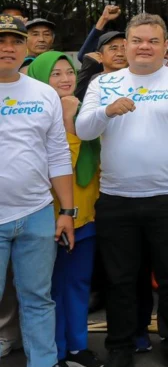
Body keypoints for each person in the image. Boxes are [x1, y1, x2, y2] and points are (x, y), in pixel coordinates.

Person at [76, 13, 168, 367]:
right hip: (117, 199)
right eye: (137, 40)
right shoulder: (105, 84)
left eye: (152, 41)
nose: (144, 47)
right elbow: (84, 129)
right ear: (126, 46)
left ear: (165, 46)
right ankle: (120, 347)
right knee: (120, 280)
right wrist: (106, 111)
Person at [0, 17, 77, 367]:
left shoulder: (43, 93)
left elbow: (58, 154)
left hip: (37, 215)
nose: (8, 47)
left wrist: (67, 211)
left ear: (25, 47)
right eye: (1, 41)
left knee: (38, 300)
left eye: (16, 41)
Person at [28, 51, 101, 367]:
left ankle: (77, 347)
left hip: (87, 217)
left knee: (78, 284)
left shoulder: (85, 111)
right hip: (52, 217)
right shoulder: (36, 119)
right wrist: (68, 124)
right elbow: (60, 168)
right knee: (50, 291)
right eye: (55, 74)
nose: (65, 79)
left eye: (69, 72)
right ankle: (53, 352)